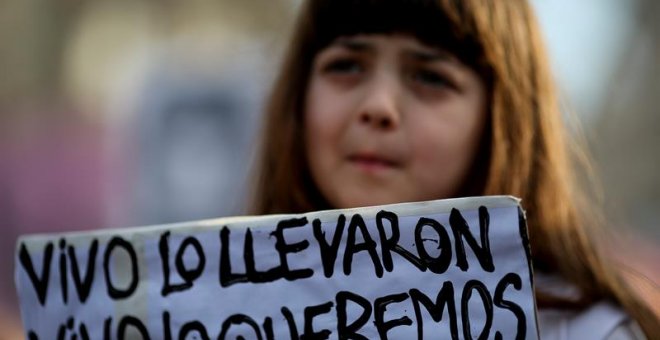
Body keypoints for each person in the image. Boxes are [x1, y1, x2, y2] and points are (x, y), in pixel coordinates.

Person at [250, 0, 659, 338]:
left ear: (500, 119)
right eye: (346, 65)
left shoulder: (589, 332)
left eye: (430, 76)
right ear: (298, 97)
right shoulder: (221, 312)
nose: (378, 106)